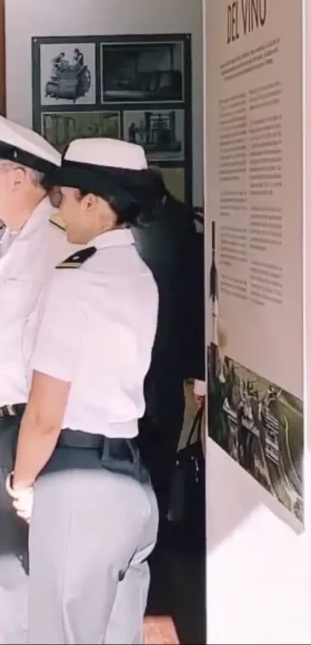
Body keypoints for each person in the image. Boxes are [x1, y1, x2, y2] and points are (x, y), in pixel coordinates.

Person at [7, 137, 161, 644]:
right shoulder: (137, 273)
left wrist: (22, 483)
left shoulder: (76, 279)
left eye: (64, 198)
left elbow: (45, 414)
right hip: (132, 481)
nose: (58, 210)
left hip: (79, 485)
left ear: (92, 202)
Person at [0, 108, 69, 645]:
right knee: (9, 561)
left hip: (37, 424)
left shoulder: (58, 242)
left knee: (41, 560)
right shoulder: (8, 239)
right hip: (2, 423)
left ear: (20, 177)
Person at [132, 169, 205, 528]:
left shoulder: (149, 227)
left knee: (149, 441)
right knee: (161, 438)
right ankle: (156, 516)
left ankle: (149, 518)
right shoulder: (182, 223)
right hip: (167, 356)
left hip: (152, 352)